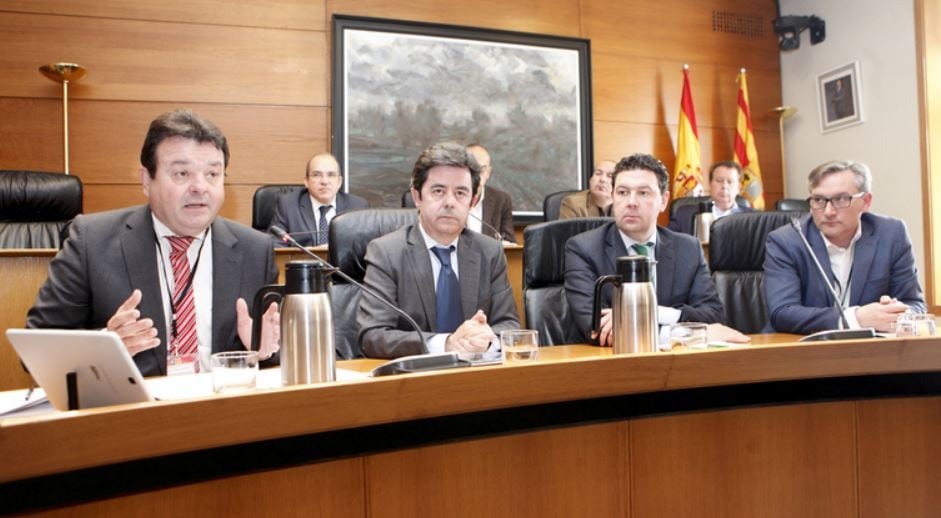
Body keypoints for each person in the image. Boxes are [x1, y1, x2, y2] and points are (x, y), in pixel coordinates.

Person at [27, 109, 280, 377]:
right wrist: (104, 347)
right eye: (182, 173)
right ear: (147, 181)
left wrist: (265, 352)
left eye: (212, 174)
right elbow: (36, 350)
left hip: (223, 401)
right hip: (132, 402)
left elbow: (277, 358)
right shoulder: (91, 241)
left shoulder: (256, 249)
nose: (200, 187)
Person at [564, 153, 747, 346]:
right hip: (606, 360)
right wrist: (689, 334)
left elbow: (713, 315)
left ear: (664, 200)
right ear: (613, 197)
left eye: (643, 193)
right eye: (623, 192)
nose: (631, 202)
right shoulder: (583, 248)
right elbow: (596, 328)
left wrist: (655, 313)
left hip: (677, 361)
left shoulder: (688, 249)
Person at [357, 142, 520, 358]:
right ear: (417, 197)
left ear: (472, 201)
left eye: (460, 193)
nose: (450, 202)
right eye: (438, 191)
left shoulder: (489, 252)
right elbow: (373, 336)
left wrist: (485, 341)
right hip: (415, 376)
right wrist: (446, 344)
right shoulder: (387, 252)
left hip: (476, 373)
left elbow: (508, 324)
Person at [764, 160, 925, 334]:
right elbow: (783, 313)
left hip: (871, 347)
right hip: (802, 345)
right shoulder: (787, 241)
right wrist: (856, 318)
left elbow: (914, 304)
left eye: (841, 199)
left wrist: (896, 312)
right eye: (818, 200)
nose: (828, 212)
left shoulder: (891, 233)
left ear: (866, 201)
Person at [270, 152, 368, 246]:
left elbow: (366, 245)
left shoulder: (357, 207)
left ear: (339, 182)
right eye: (316, 175)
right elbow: (276, 244)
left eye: (331, 175)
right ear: (306, 181)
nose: (324, 181)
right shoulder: (288, 205)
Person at [668, 161, 753, 235]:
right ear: (710, 184)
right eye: (719, 180)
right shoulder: (684, 214)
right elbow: (669, 244)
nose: (724, 186)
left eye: (730, 182)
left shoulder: (752, 219)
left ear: (739, 187)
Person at [465, 144, 516, 243]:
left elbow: (509, 243)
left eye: (481, 170)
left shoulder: (501, 200)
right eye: (471, 170)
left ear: (488, 172)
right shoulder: (451, 199)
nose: (476, 175)